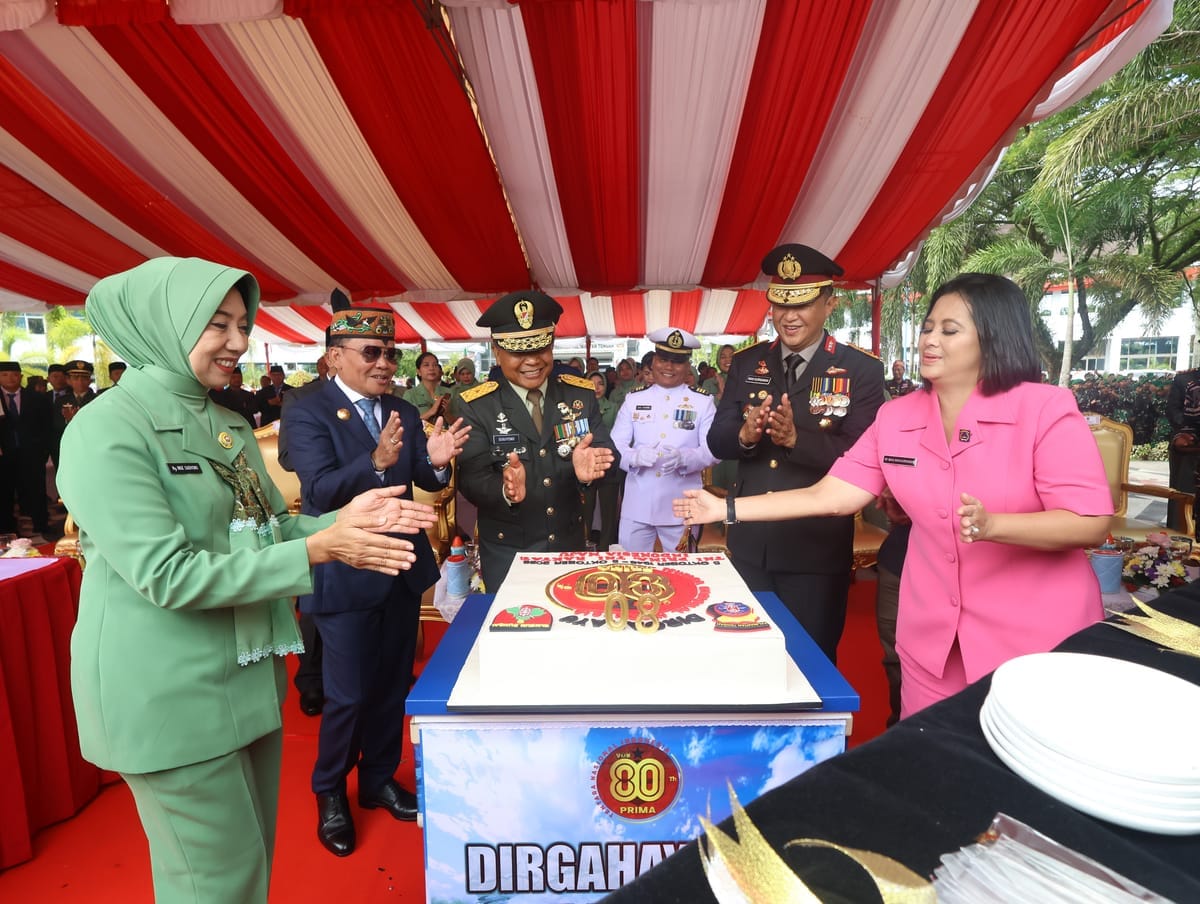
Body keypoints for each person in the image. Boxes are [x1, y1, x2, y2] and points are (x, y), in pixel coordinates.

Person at [56, 256, 436, 902]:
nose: (239, 341)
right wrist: (318, 550)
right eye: (217, 324)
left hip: (246, 683)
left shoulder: (227, 424)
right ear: (163, 324)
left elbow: (264, 532)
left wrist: (339, 522)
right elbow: (167, 575)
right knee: (216, 885)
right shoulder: (107, 430)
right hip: (171, 697)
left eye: (242, 323)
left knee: (248, 874)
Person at [680, 273, 1113, 717]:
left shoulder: (1044, 408)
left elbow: (1089, 521)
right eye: (928, 328)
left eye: (950, 330)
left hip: (1036, 642)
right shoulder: (897, 416)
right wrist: (724, 507)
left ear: (994, 337)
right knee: (929, 763)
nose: (930, 340)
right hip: (933, 639)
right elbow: (830, 496)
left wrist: (995, 525)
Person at [285, 293, 469, 858]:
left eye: (391, 353)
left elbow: (423, 477)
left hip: (400, 568)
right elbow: (316, 492)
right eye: (371, 352)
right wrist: (377, 463)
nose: (385, 364)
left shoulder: (405, 411)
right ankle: (329, 791)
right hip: (345, 571)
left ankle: (378, 780)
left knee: (393, 685)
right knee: (346, 694)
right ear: (334, 356)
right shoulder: (306, 408)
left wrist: (434, 459)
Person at [707, 244, 886, 663]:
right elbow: (717, 442)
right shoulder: (749, 362)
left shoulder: (860, 369)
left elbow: (863, 459)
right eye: (780, 304)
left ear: (829, 304)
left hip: (815, 551)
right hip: (752, 547)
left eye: (802, 304)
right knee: (748, 661)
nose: (789, 316)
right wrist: (747, 435)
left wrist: (796, 440)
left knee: (811, 663)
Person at [456, 290, 615, 587]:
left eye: (541, 348)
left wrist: (590, 473)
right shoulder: (477, 405)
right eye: (519, 352)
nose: (532, 361)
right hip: (509, 553)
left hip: (569, 546)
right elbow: (471, 478)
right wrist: (504, 490)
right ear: (498, 350)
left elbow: (607, 455)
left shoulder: (578, 394)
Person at [611, 328, 717, 552]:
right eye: (663, 359)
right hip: (637, 503)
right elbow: (615, 444)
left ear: (688, 365)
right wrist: (634, 456)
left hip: (681, 503)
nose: (669, 367)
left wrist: (685, 458)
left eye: (677, 361)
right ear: (653, 362)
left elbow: (712, 450)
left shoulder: (702, 402)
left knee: (684, 572)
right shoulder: (634, 399)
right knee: (631, 570)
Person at [0, 361, 55, 540]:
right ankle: (8, 530)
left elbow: (47, 426)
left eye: (14, 374)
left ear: (21, 377)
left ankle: (42, 525)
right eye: (5, 375)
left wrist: (42, 451)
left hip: (31, 454)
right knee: (5, 492)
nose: (10, 378)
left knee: (36, 490)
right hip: (4, 455)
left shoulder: (37, 398)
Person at [581, 370, 620, 551]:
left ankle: (606, 546)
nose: (596, 387)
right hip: (586, 464)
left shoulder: (613, 406)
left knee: (608, 508)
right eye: (591, 383)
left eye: (600, 383)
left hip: (609, 463)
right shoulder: (578, 408)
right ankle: (588, 543)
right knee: (586, 507)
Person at [1165, 364, 1200, 529]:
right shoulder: (1184, 379)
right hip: (1189, 445)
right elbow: (1173, 411)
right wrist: (1190, 427)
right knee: (1183, 494)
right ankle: (1180, 533)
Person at [403, 351, 453, 424]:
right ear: (418, 371)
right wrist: (431, 411)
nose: (431, 368)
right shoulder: (410, 395)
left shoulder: (448, 392)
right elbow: (407, 423)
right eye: (426, 365)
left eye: (435, 365)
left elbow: (456, 422)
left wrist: (446, 413)